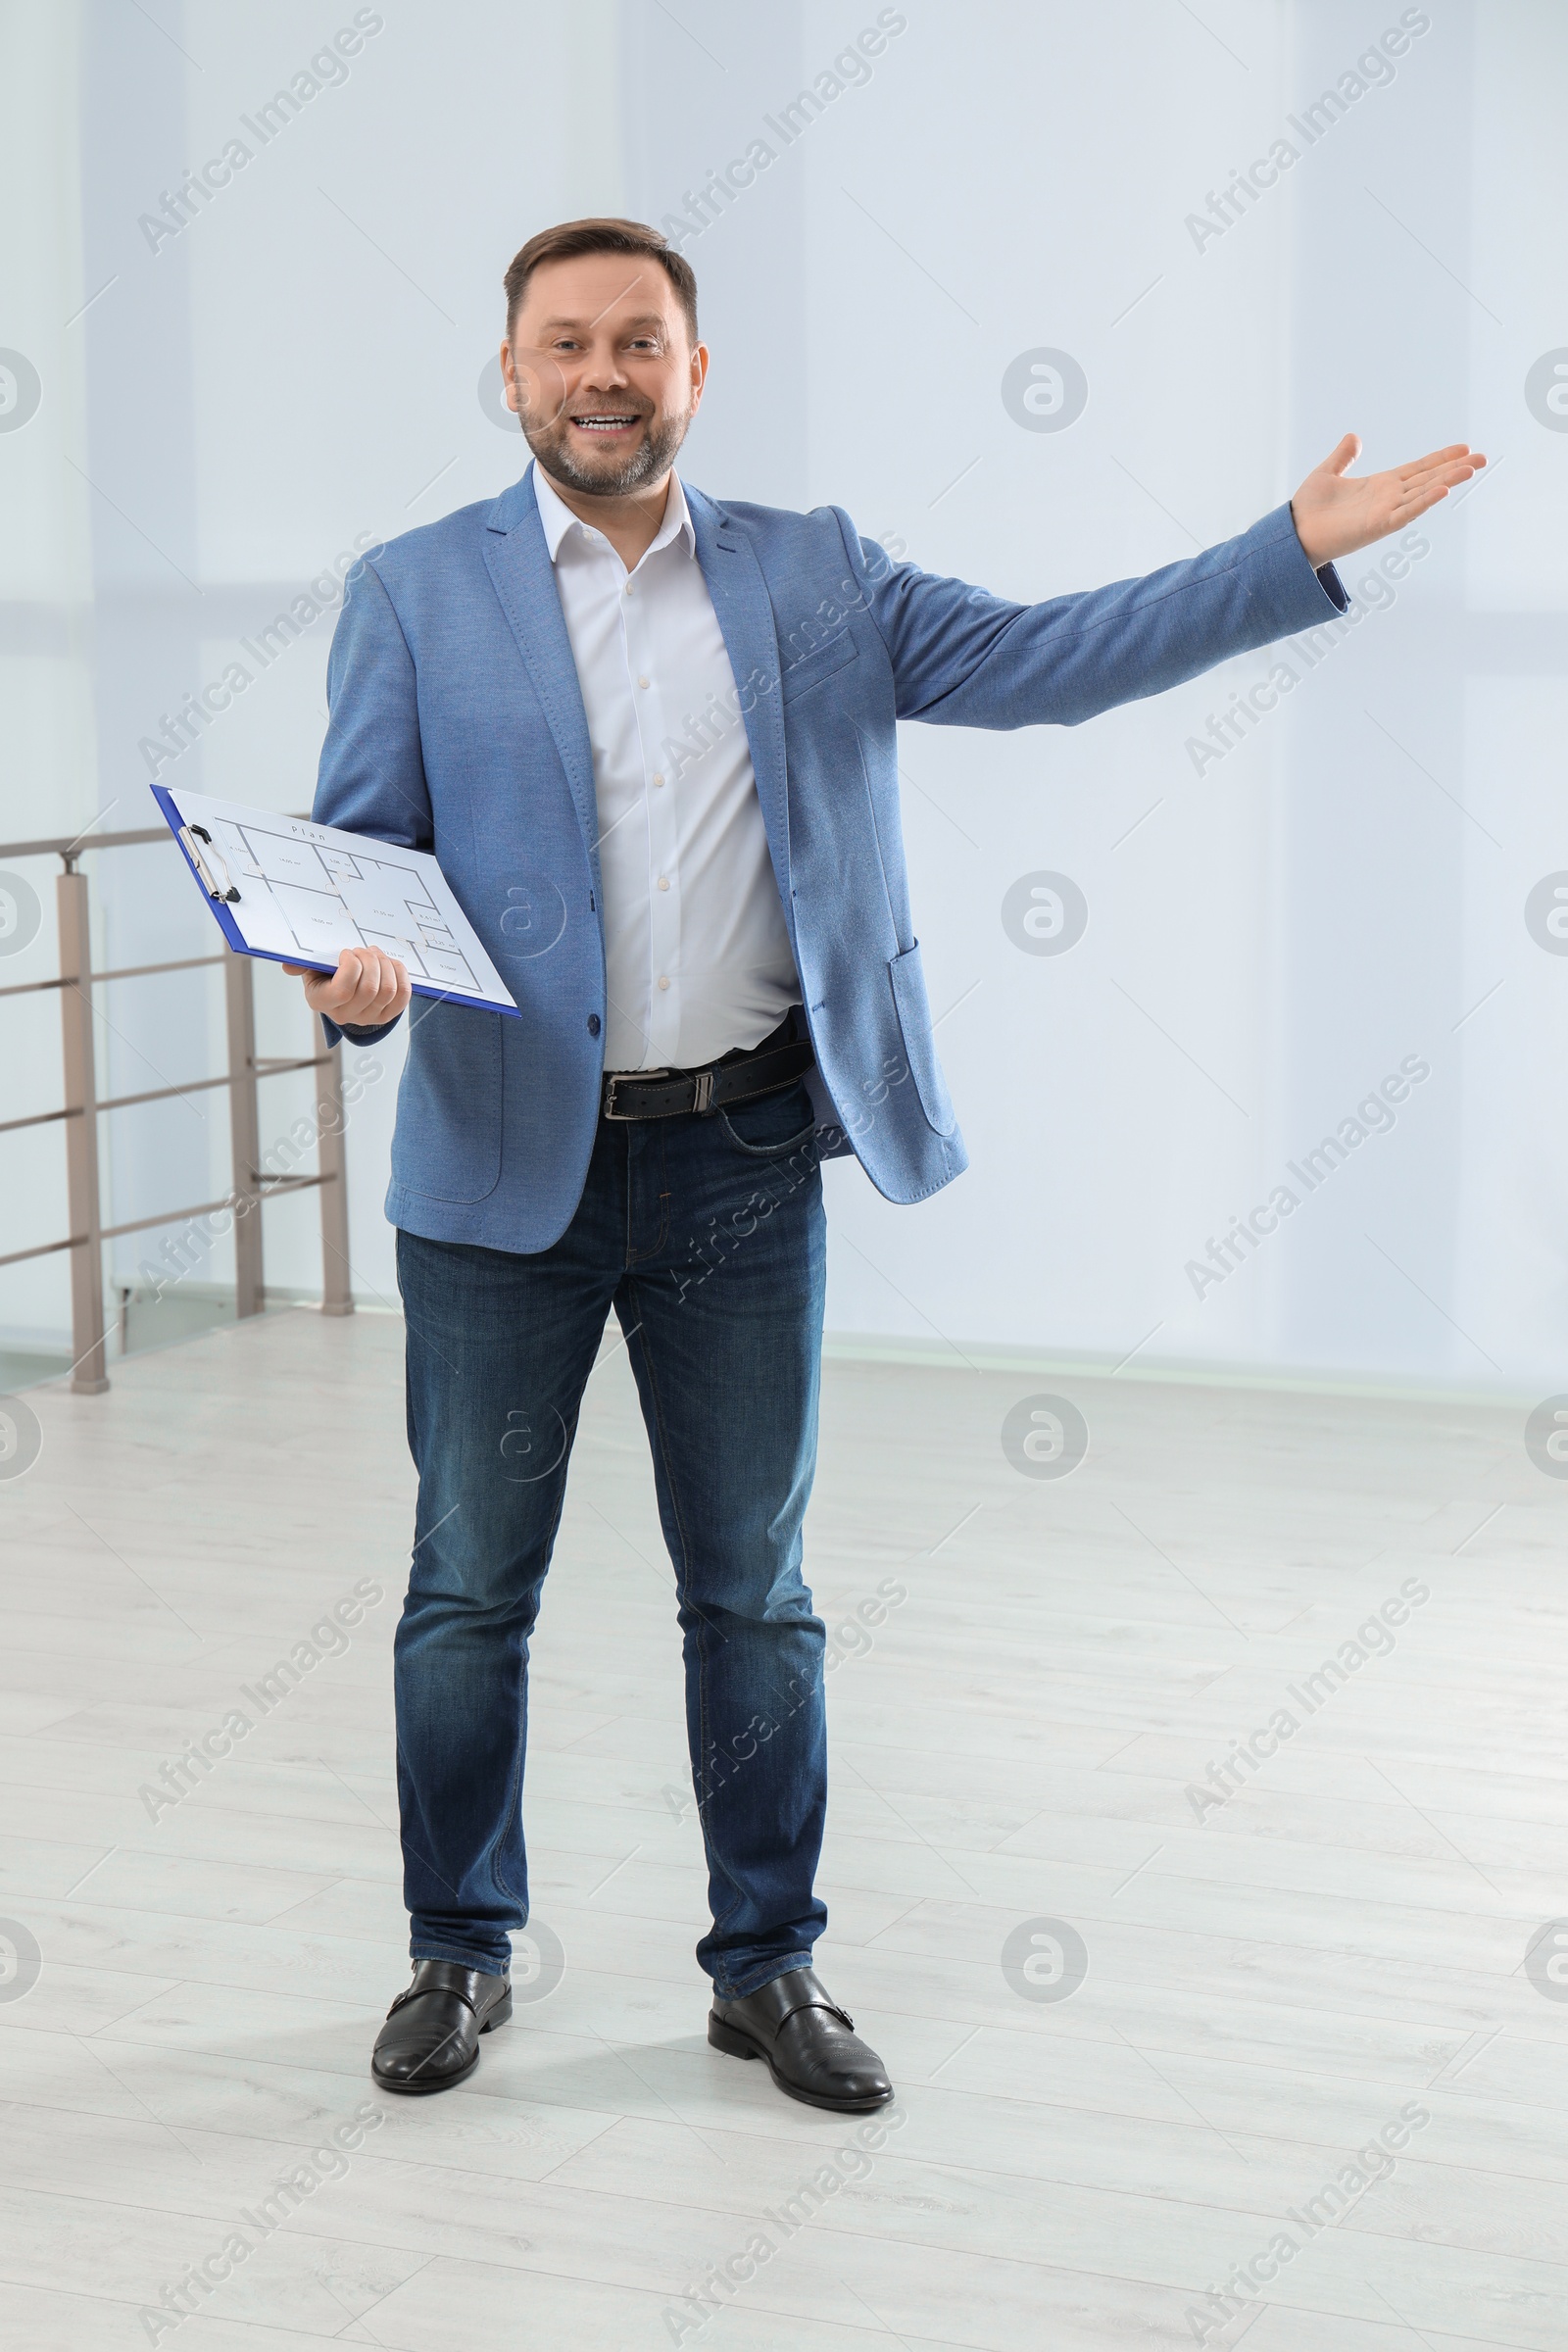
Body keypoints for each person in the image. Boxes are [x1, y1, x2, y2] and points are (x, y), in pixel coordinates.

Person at [289, 216, 1483, 2106]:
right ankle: (459, 1950)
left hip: (744, 1156)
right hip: (501, 1176)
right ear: (514, 376)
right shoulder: (414, 590)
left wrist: (1288, 561)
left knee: (753, 1593)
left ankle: (765, 1966)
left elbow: (1051, 657)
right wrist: (352, 992)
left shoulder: (814, 577)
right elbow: (363, 867)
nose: (603, 372)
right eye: (567, 344)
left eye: (640, 341)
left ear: (697, 372)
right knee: (466, 1591)